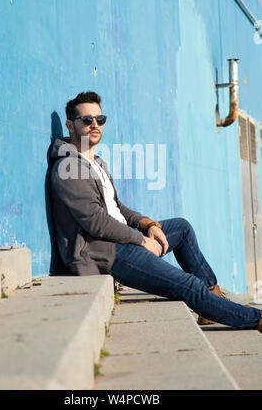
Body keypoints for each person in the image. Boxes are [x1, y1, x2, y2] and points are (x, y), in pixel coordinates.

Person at [50, 91, 262, 332]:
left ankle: (213, 298)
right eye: (87, 120)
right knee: (189, 286)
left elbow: (116, 208)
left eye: (100, 119)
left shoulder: (96, 162)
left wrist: (146, 223)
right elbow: (96, 222)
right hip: (104, 251)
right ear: (70, 125)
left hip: (122, 239)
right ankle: (256, 319)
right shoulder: (67, 169)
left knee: (181, 228)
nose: (95, 125)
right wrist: (141, 240)